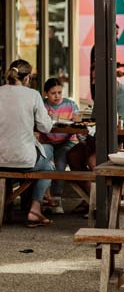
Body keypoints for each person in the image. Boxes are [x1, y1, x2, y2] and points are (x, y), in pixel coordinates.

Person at [0, 60, 55, 227]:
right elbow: (45, 127)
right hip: (23, 160)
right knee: (49, 160)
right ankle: (34, 208)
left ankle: (20, 205)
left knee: (44, 158)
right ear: (28, 78)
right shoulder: (33, 95)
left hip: (1, 158)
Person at [38, 78, 79, 214]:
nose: (57, 96)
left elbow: (77, 124)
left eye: (59, 92)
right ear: (46, 93)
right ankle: (44, 198)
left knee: (60, 163)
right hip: (47, 141)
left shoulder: (70, 105)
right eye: (53, 93)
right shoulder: (42, 106)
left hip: (66, 141)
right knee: (45, 164)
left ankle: (57, 198)